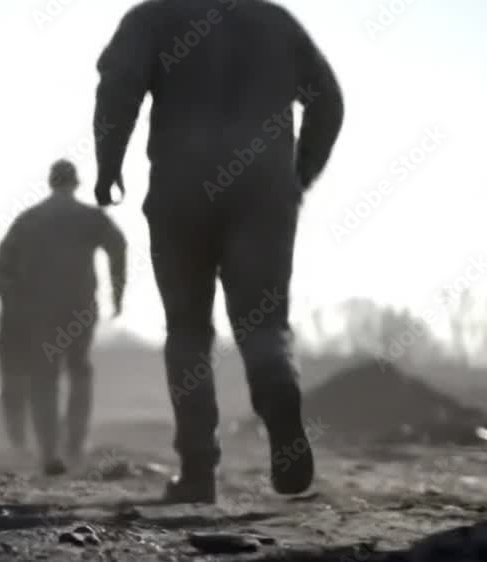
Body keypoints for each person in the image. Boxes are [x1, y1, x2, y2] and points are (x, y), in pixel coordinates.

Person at [93, 0, 344, 503]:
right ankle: (279, 400)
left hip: (181, 193)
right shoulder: (274, 20)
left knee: (187, 330)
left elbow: (118, 90)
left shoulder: (153, 17)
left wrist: (108, 166)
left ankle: (198, 471)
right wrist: (298, 176)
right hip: (264, 195)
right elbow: (329, 102)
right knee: (264, 323)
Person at [0, 159, 126, 474]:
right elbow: (118, 247)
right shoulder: (90, 217)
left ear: (50, 182)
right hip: (79, 307)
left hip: (39, 311)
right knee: (80, 371)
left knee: (44, 377)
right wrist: (117, 293)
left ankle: (48, 451)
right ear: (75, 184)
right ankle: (75, 444)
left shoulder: (28, 220)